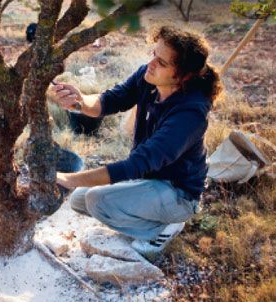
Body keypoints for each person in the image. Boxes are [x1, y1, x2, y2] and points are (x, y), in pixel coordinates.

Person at [53, 26, 223, 259]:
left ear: (184, 76)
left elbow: (136, 164)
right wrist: (80, 102)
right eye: (154, 54)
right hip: (149, 180)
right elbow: (110, 100)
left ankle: (162, 229)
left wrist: (67, 179)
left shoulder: (190, 112)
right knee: (80, 200)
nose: (152, 64)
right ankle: (143, 215)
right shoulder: (149, 79)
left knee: (96, 200)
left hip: (178, 193)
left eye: (162, 63)